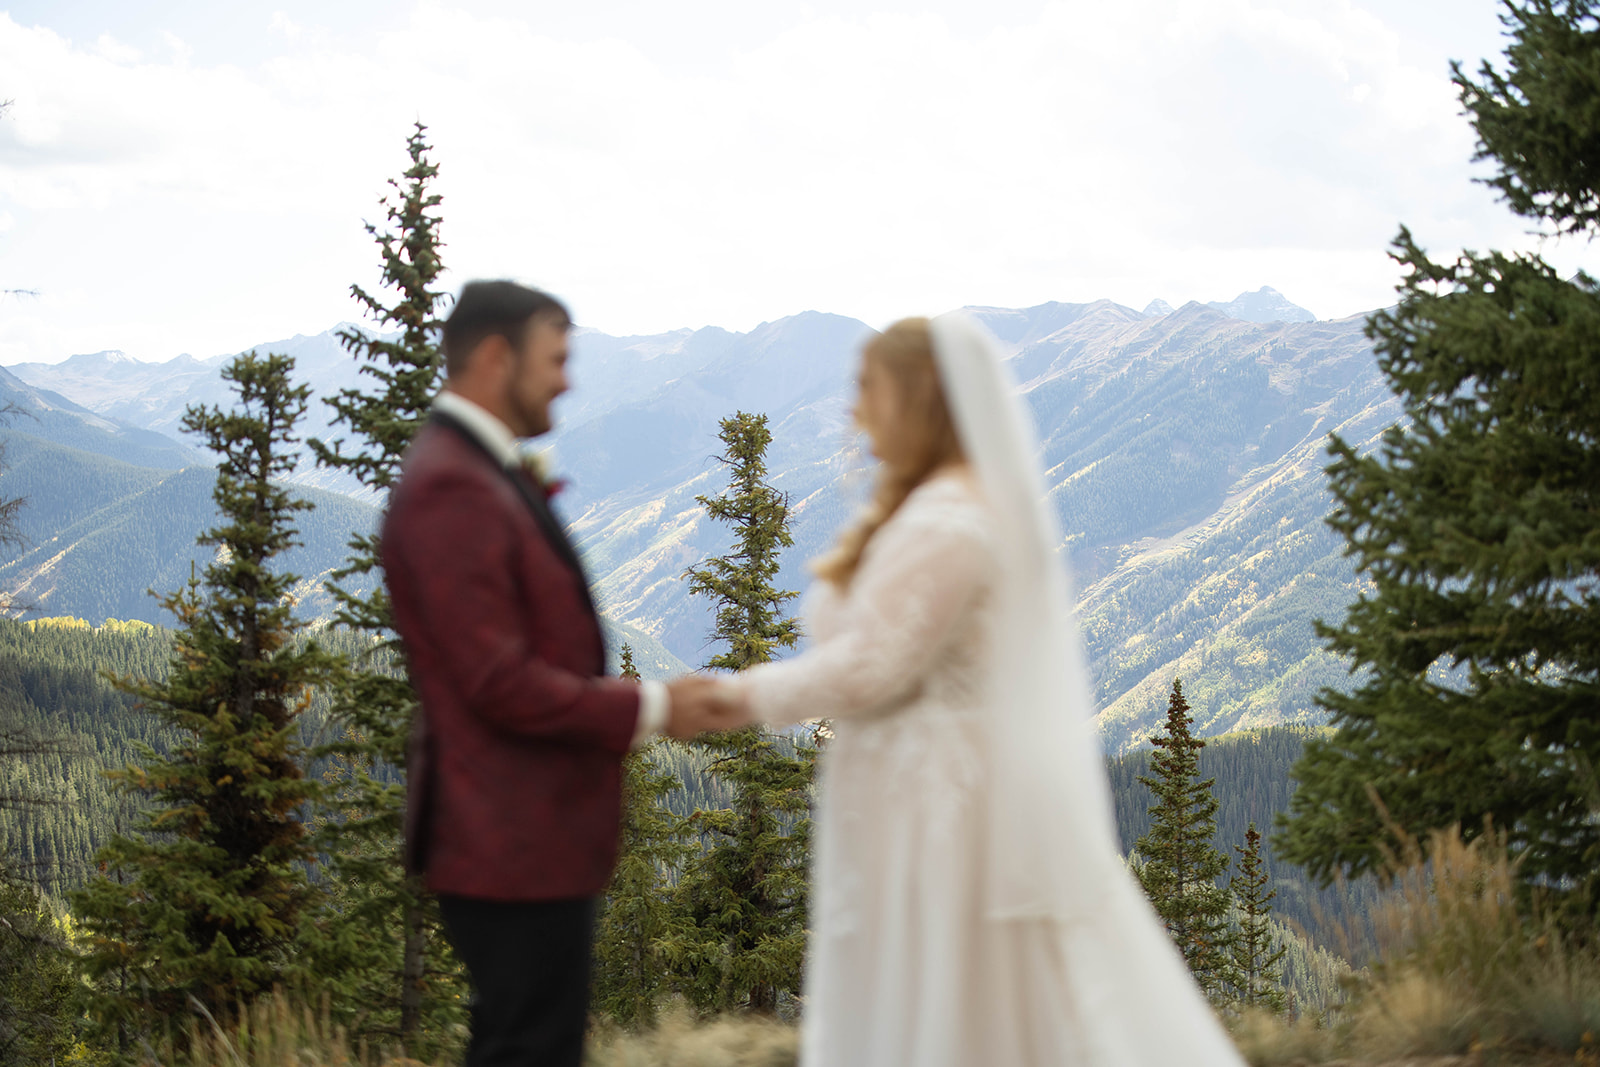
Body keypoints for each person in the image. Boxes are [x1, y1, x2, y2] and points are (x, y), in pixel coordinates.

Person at [720, 314, 1246, 1066]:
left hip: (948, 810)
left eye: (867, 386)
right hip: (902, 802)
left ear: (920, 396)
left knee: (960, 1004)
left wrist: (730, 697)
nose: (853, 407)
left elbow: (871, 665)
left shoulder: (954, 523)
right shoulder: (923, 507)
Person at [380, 280, 736, 1067]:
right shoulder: (451, 484)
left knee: (529, 1044)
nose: (569, 381)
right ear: (498, 355)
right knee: (529, 1049)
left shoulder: (472, 467)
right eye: (557, 359)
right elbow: (497, 681)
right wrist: (650, 707)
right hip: (506, 833)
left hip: (519, 832)